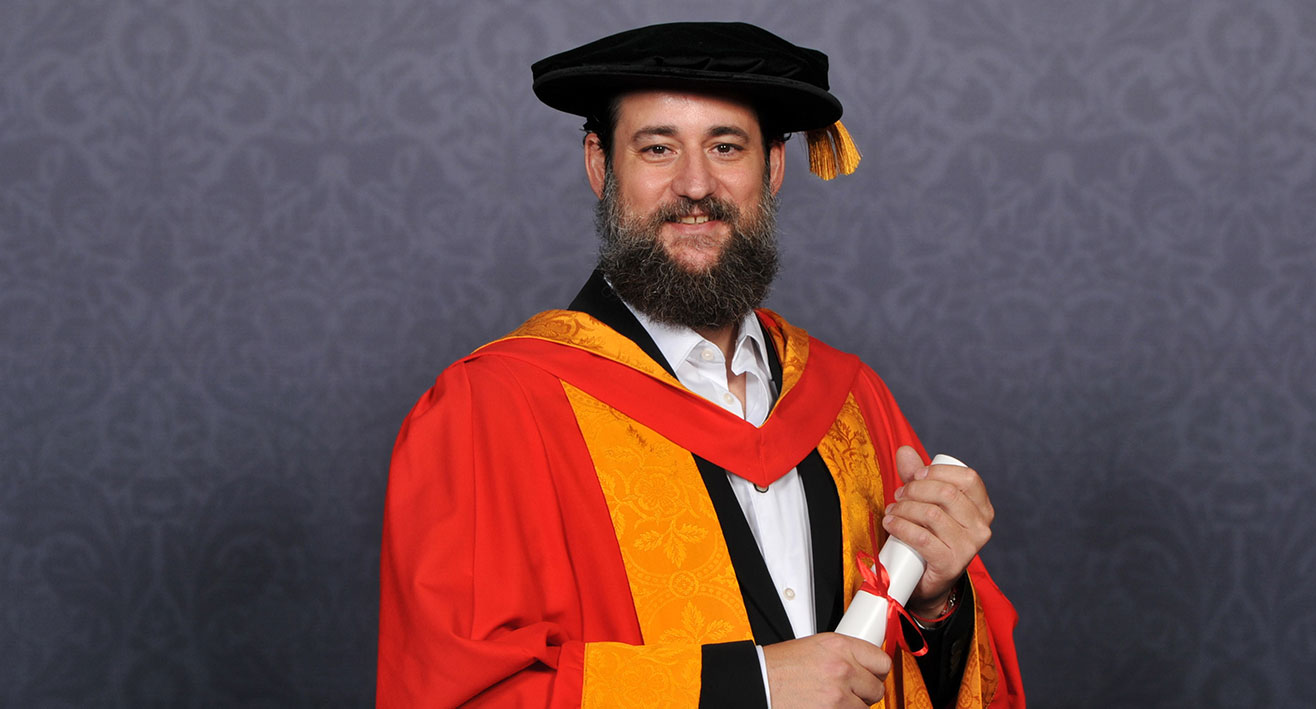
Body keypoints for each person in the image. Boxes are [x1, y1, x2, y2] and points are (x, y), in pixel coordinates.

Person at [377, 22, 1023, 708]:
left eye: (726, 147)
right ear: (600, 165)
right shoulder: (495, 408)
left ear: (772, 167)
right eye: (657, 147)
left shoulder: (848, 399)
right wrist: (753, 688)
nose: (694, 185)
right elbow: (453, 689)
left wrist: (933, 604)